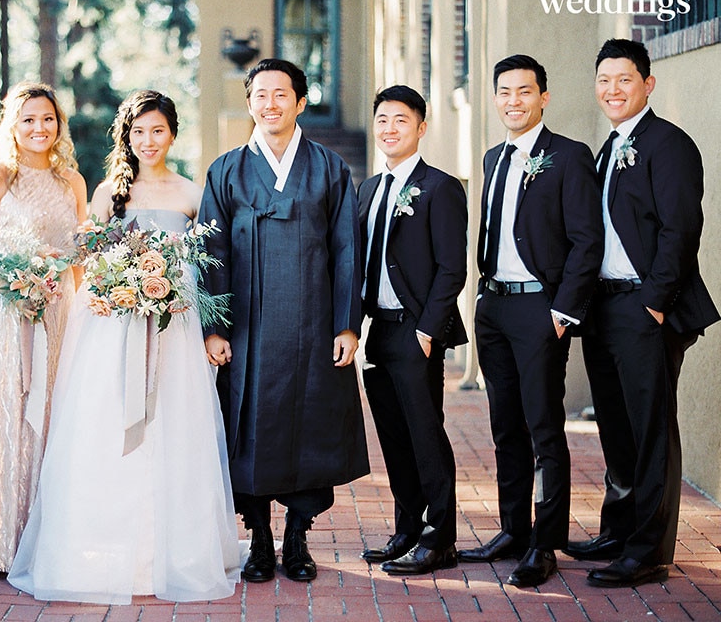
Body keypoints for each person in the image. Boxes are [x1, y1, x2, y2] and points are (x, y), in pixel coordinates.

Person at [8, 90, 240, 603]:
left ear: (172, 134)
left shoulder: (189, 193)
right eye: (138, 132)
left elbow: (205, 265)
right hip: (113, 330)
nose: (148, 141)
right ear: (126, 138)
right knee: (106, 431)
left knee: (173, 430)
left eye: (157, 131)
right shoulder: (107, 195)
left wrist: (202, 322)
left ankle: (170, 554)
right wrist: (120, 286)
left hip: (172, 332)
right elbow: (91, 267)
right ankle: (106, 551)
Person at [200, 58, 368, 583]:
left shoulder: (329, 167)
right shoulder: (226, 169)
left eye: (281, 95)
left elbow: (346, 248)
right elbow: (212, 251)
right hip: (247, 331)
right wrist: (214, 326)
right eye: (260, 95)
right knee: (247, 430)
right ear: (249, 102)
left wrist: (346, 323)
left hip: (313, 327)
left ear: (300, 101)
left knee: (310, 427)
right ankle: (259, 540)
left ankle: (297, 537)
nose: (270, 104)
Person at [564, 39, 719, 587]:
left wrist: (653, 302)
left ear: (647, 84)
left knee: (650, 428)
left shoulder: (668, 144)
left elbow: (681, 230)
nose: (612, 90)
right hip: (602, 306)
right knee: (615, 425)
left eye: (624, 80)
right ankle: (618, 529)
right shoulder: (606, 148)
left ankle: (649, 550)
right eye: (604, 80)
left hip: (643, 306)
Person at [459, 55, 603, 587]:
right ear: (495, 98)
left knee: (544, 427)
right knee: (505, 426)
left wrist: (563, 311)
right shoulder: (493, 157)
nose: (513, 101)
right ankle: (514, 529)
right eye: (504, 91)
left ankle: (546, 544)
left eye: (525, 91)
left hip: (540, 309)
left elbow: (588, 239)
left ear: (544, 96)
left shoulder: (568, 156)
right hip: (493, 306)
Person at [0, 82, 87, 574]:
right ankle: (2, 545)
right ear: (13, 123)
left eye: (48, 119)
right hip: (13, 316)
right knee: (13, 416)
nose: (40, 128)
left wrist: (76, 302)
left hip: (62, 314)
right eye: (29, 119)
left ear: (59, 124)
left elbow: (78, 253)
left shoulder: (71, 180)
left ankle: (50, 542)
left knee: (58, 418)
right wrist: (11, 284)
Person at [357, 86, 467, 575]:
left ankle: (440, 538)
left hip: (416, 332)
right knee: (394, 438)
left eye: (400, 120)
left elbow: (452, 268)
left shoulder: (441, 187)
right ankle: (407, 530)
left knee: (426, 437)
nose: (389, 129)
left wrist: (428, 331)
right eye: (382, 119)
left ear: (420, 128)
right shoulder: (369, 189)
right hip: (378, 329)